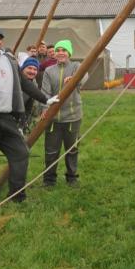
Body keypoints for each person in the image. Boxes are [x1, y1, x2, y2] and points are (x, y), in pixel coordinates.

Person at [0, 26, 59, 204]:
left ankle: (16, 195)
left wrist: (45, 99)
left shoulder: (9, 61)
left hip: (7, 119)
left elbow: (24, 83)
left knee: (21, 153)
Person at [40, 39, 88, 187]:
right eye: (58, 50)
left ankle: (72, 177)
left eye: (64, 50)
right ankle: (49, 180)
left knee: (72, 150)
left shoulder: (76, 66)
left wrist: (75, 78)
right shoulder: (49, 71)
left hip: (72, 117)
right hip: (53, 119)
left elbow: (84, 77)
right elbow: (45, 92)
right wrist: (44, 108)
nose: (60, 53)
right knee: (51, 151)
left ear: (69, 53)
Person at [19, 57, 48, 135]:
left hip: (26, 122)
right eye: (29, 68)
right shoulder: (19, 84)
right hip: (16, 124)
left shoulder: (34, 83)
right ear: (23, 69)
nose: (32, 71)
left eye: (35, 69)